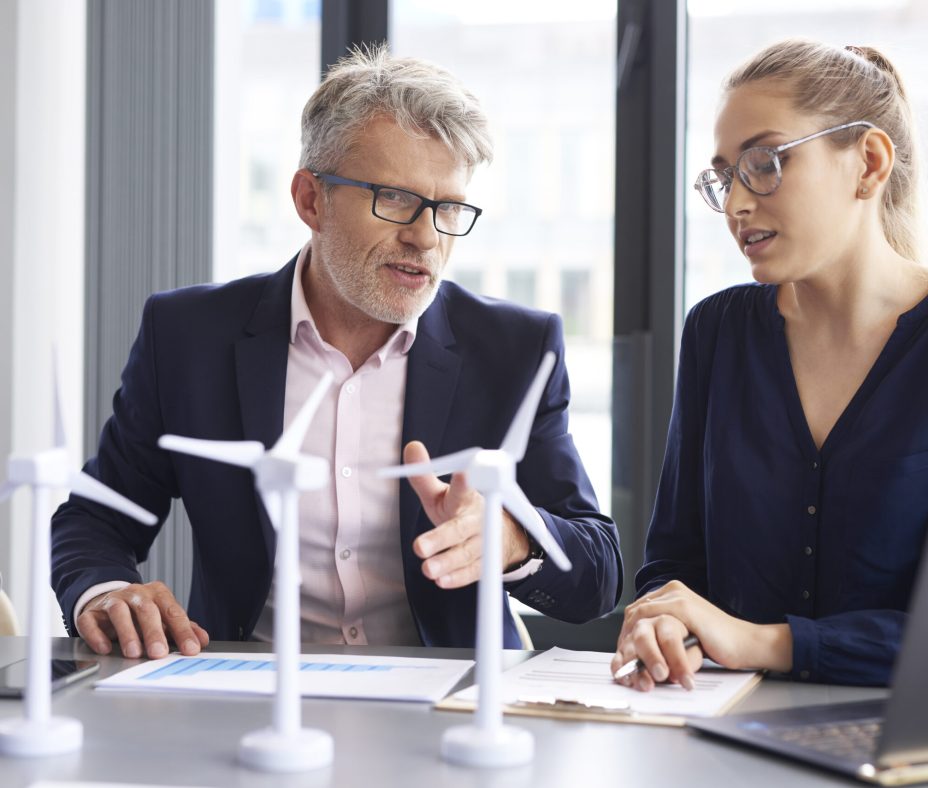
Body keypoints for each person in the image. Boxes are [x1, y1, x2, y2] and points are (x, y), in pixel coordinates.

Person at [50, 46, 622, 660]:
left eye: (448, 208)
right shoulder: (189, 336)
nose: (426, 237)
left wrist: (514, 541)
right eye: (396, 199)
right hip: (247, 697)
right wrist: (107, 591)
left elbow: (600, 573)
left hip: (447, 713)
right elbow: (96, 518)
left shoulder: (514, 350)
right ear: (310, 200)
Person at [611, 39, 928, 690]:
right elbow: (676, 564)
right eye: (724, 176)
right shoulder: (717, 332)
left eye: (763, 164)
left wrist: (763, 642)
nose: (735, 204)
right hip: (722, 731)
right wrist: (666, 621)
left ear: (868, 163)